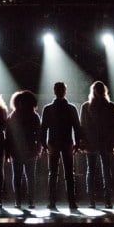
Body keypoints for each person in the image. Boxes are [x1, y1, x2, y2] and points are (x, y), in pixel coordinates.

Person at [41, 82, 82, 210]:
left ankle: (53, 202)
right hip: (66, 143)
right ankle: (71, 202)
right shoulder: (71, 108)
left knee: (53, 174)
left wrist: (44, 143)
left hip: (54, 143)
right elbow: (76, 127)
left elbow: (44, 128)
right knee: (68, 174)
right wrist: (77, 143)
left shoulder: (48, 109)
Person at [80, 81, 114, 208]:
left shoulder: (88, 106)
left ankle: (96, 200)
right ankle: (103, 200)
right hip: (100, 142)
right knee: (102, 171)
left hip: (99, 142)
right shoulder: (109, 106)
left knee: (95, 171)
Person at [6, 90, 41, 209]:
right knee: (25, 177)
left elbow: (38, 134)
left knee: (22, 177)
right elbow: (9, 136)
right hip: (22, 151)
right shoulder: (31, 116)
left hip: (24, 151)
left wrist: (37, 148)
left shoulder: (14, 116)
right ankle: (25, 201)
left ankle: (21, 201)